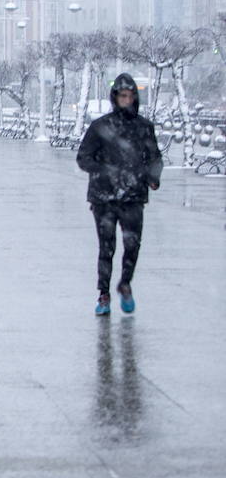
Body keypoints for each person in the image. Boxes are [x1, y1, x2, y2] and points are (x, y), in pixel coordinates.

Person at [76, 73, 162, 315]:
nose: (127, 99)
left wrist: (153, 177)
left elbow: (154, 157)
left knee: (132, 244)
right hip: (104, 198)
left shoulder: (144, 128)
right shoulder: (101, 127)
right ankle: (103, 294)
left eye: (130, 95)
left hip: (133, 196)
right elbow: (83, 157)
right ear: (115, 97)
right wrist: (104, 172)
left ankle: (125, 283)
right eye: (123, 95)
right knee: (107, 247)